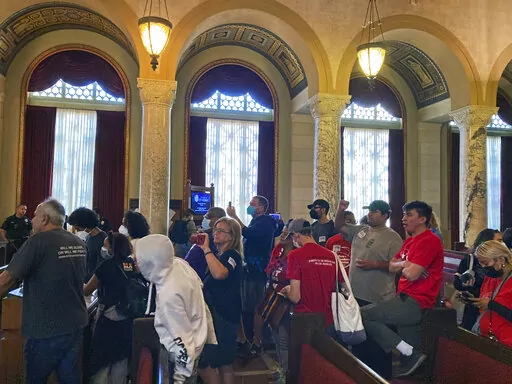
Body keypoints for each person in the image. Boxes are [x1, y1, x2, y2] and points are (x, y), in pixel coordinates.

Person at [0, 198, 88, 383]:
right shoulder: (78, 242)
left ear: (45, 219)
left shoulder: (38, 242)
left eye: (35, 216)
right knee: (70, 379)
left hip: (45, 328)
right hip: (75, 324)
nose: (32, 220)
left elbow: (7, 280)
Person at [361, 201, 444, 378]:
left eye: (409, 215)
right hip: (404, 298)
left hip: (415, 301)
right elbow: (391, 266)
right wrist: (405, 264)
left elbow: (413, 275)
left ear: (422, 219)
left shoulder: (429, 240)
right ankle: (410, 354)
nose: (403, 218)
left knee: (362, 315)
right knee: (412, 368)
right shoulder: (409, 242)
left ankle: (409, 353)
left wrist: (405, 266)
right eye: (404, 214)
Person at [136, 234, 212, 383]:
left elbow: (183, 341)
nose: (136, 261)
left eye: (140, 258)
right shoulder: (177, 264)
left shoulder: (169, 293)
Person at [227, 196, 279, 349]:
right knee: (247, 303)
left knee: (255, 304)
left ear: (261, 208)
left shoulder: (266, 222)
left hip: (258, 268)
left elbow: (249, 234)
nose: (249, 207)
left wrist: (234, 217)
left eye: (253, 204)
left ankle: (256, 339)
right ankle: (247, 337)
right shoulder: (256, 221)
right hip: (250, 268)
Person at [197, 217, 243, 384]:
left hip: (223, 315)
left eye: (221, 231)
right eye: (215, 230)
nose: (215, 233)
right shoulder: (220, 255)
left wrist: (206, 250)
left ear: (231, 236)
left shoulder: (232, 255)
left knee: (214, 363)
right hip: (219, 313)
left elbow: (220, 274)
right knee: (223, 363)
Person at [84, 233, 134, 383]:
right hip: (127, 316)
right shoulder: (130, 264)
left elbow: (87, 290)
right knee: (121, 359)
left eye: (105, 245)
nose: (103, 248)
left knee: (102, 359)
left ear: (112, 248)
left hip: (108, 316)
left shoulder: (105, 266)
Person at [335, 200, 403, 306]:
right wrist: (341, 210)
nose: (369, 214)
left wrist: (375, 264)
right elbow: (339, 226)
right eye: (369, 211)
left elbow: (398, 266)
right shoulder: (361, 230)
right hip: (355, 293)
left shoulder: (393, 238)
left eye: (374, 212)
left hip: (378, 297)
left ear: (385, 215)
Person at [282, 219, 339, 331]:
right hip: (328, 318)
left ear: (297, 235)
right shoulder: (332, 255)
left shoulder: (295, 255)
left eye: (292, 237)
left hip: (305, 318)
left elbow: (295, 297)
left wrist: (287, 290)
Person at [251, 220, 295, 362]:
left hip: (286, 298)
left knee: (283, 338)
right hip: (273, 291)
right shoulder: (279, 250)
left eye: (286, 235)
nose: (282, 236)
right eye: (282, 233)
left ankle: (286, 371)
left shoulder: (295, 254)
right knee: (274, 331)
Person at [454, 228, 502, 330]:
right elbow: (457, 282)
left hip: (493, 312)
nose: (502, 245)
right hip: (473, 309)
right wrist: (466, 290)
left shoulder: (499, 267)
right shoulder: (470, 260)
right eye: (498, 241)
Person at [469, 240, 512, 347]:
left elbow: (492, 304)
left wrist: (491, 305)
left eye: (486, 263)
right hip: (487, 338)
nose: (483, 268)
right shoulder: (491, 278)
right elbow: (485, 302)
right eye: (481, 264)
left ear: (501, 259)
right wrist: (472, 300)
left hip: (507, 343)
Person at [68, 207, 108, 282]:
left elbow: (101, 267)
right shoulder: (88, 236)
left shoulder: (103, 239)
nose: (76, 230)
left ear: (84, 224)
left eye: (77, 227)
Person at [184, 207, 226, 280]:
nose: (204, 220)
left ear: (216, 220)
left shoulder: (214, 239)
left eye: (207, 217)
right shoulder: (205, 235)